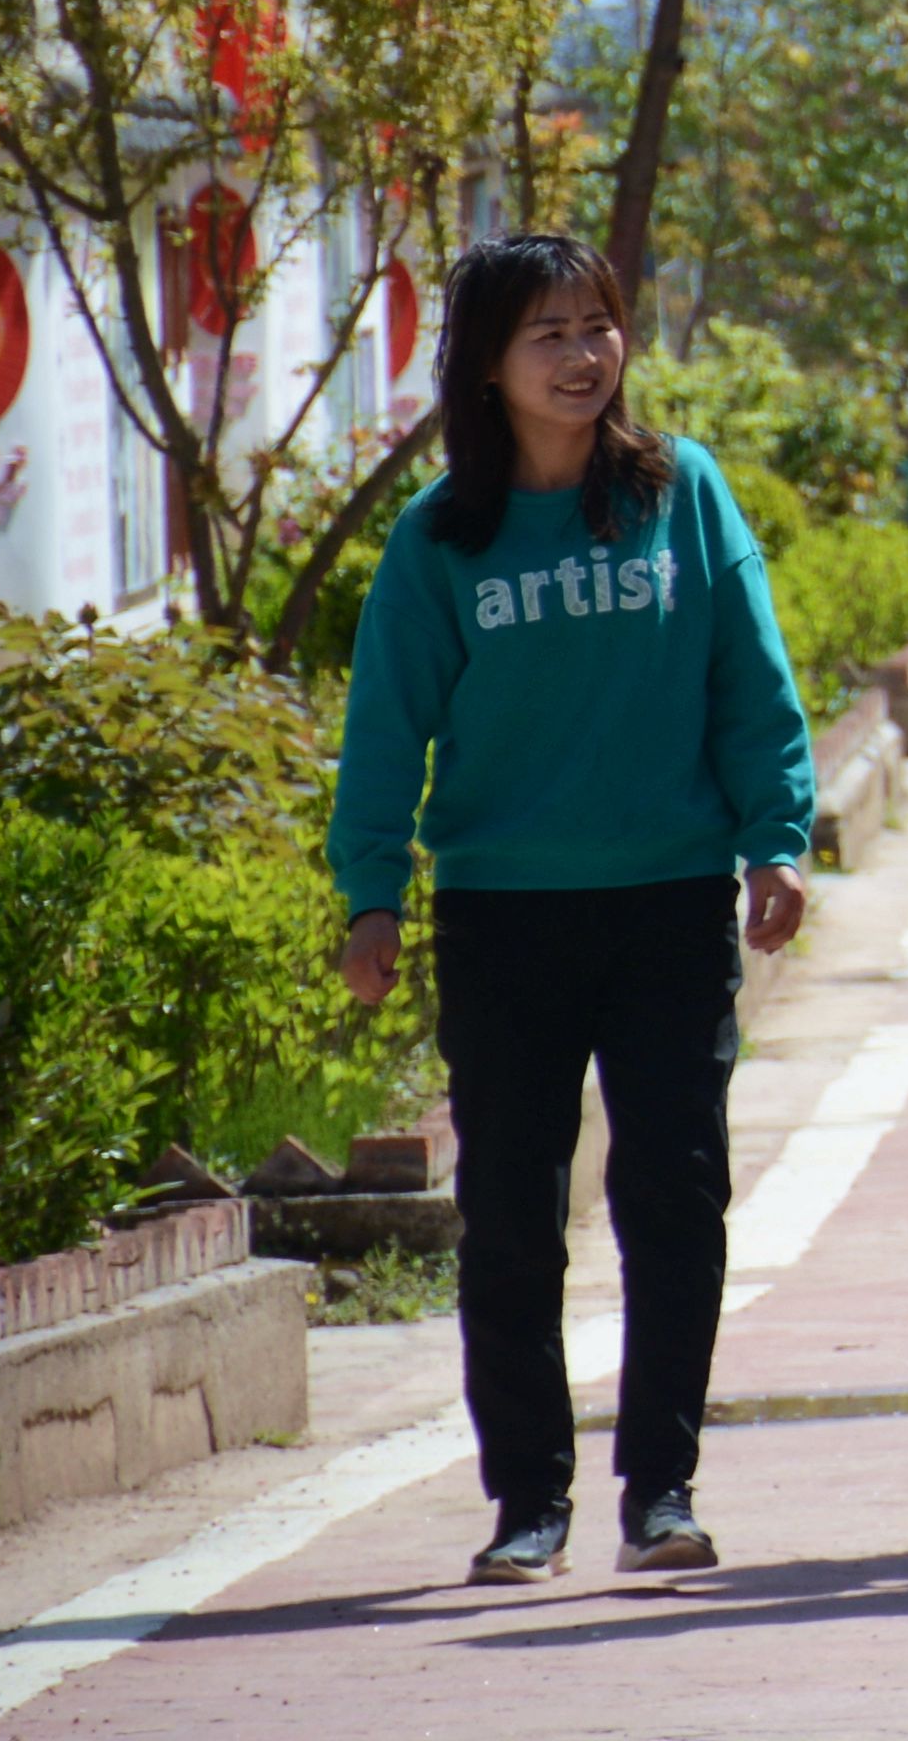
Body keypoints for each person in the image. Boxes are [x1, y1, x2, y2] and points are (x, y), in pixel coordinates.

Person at [321, 230, 819, 1589]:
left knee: (676, 1197)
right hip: (505, 915)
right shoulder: (442, 537)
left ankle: (661, 1489)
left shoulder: (681, 491)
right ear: (486, 363)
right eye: (547, 332)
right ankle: (528, 1498)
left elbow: (750, 679)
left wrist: (775, 839)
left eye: (597, 325)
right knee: (511, 1212)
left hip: (669, 905)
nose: (582, 354)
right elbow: (386, 729)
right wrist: (371, 894)